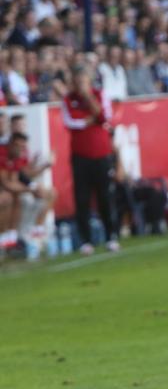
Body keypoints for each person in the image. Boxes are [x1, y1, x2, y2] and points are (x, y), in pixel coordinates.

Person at [62, 67, 118, 254]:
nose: (81, 86)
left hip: (101, 154)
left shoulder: (100, 95)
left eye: (84, 82)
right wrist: (90, 120)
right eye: (78, 83)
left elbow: (104, 117)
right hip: (80, 156)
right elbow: (72, 122)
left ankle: (111, 236)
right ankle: (85, 240)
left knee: (104, 197)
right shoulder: (69, 99)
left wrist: (89, 100)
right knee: (82, 199)